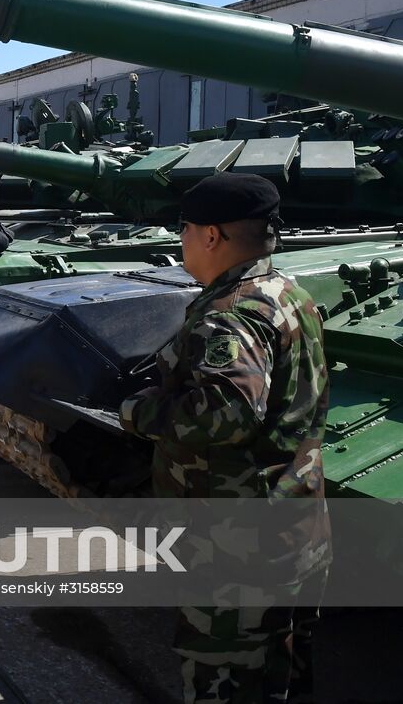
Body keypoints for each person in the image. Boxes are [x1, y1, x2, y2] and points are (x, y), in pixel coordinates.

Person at [119, 173, 329, 704]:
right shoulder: (289, 294)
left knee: (226, 677)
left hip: (235, 544)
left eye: (185, 228)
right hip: (292, 524)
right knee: (279, 669)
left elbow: (227, 414)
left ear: (211, 236)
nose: (181, 238)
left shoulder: (230, 314)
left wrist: (138, 410)